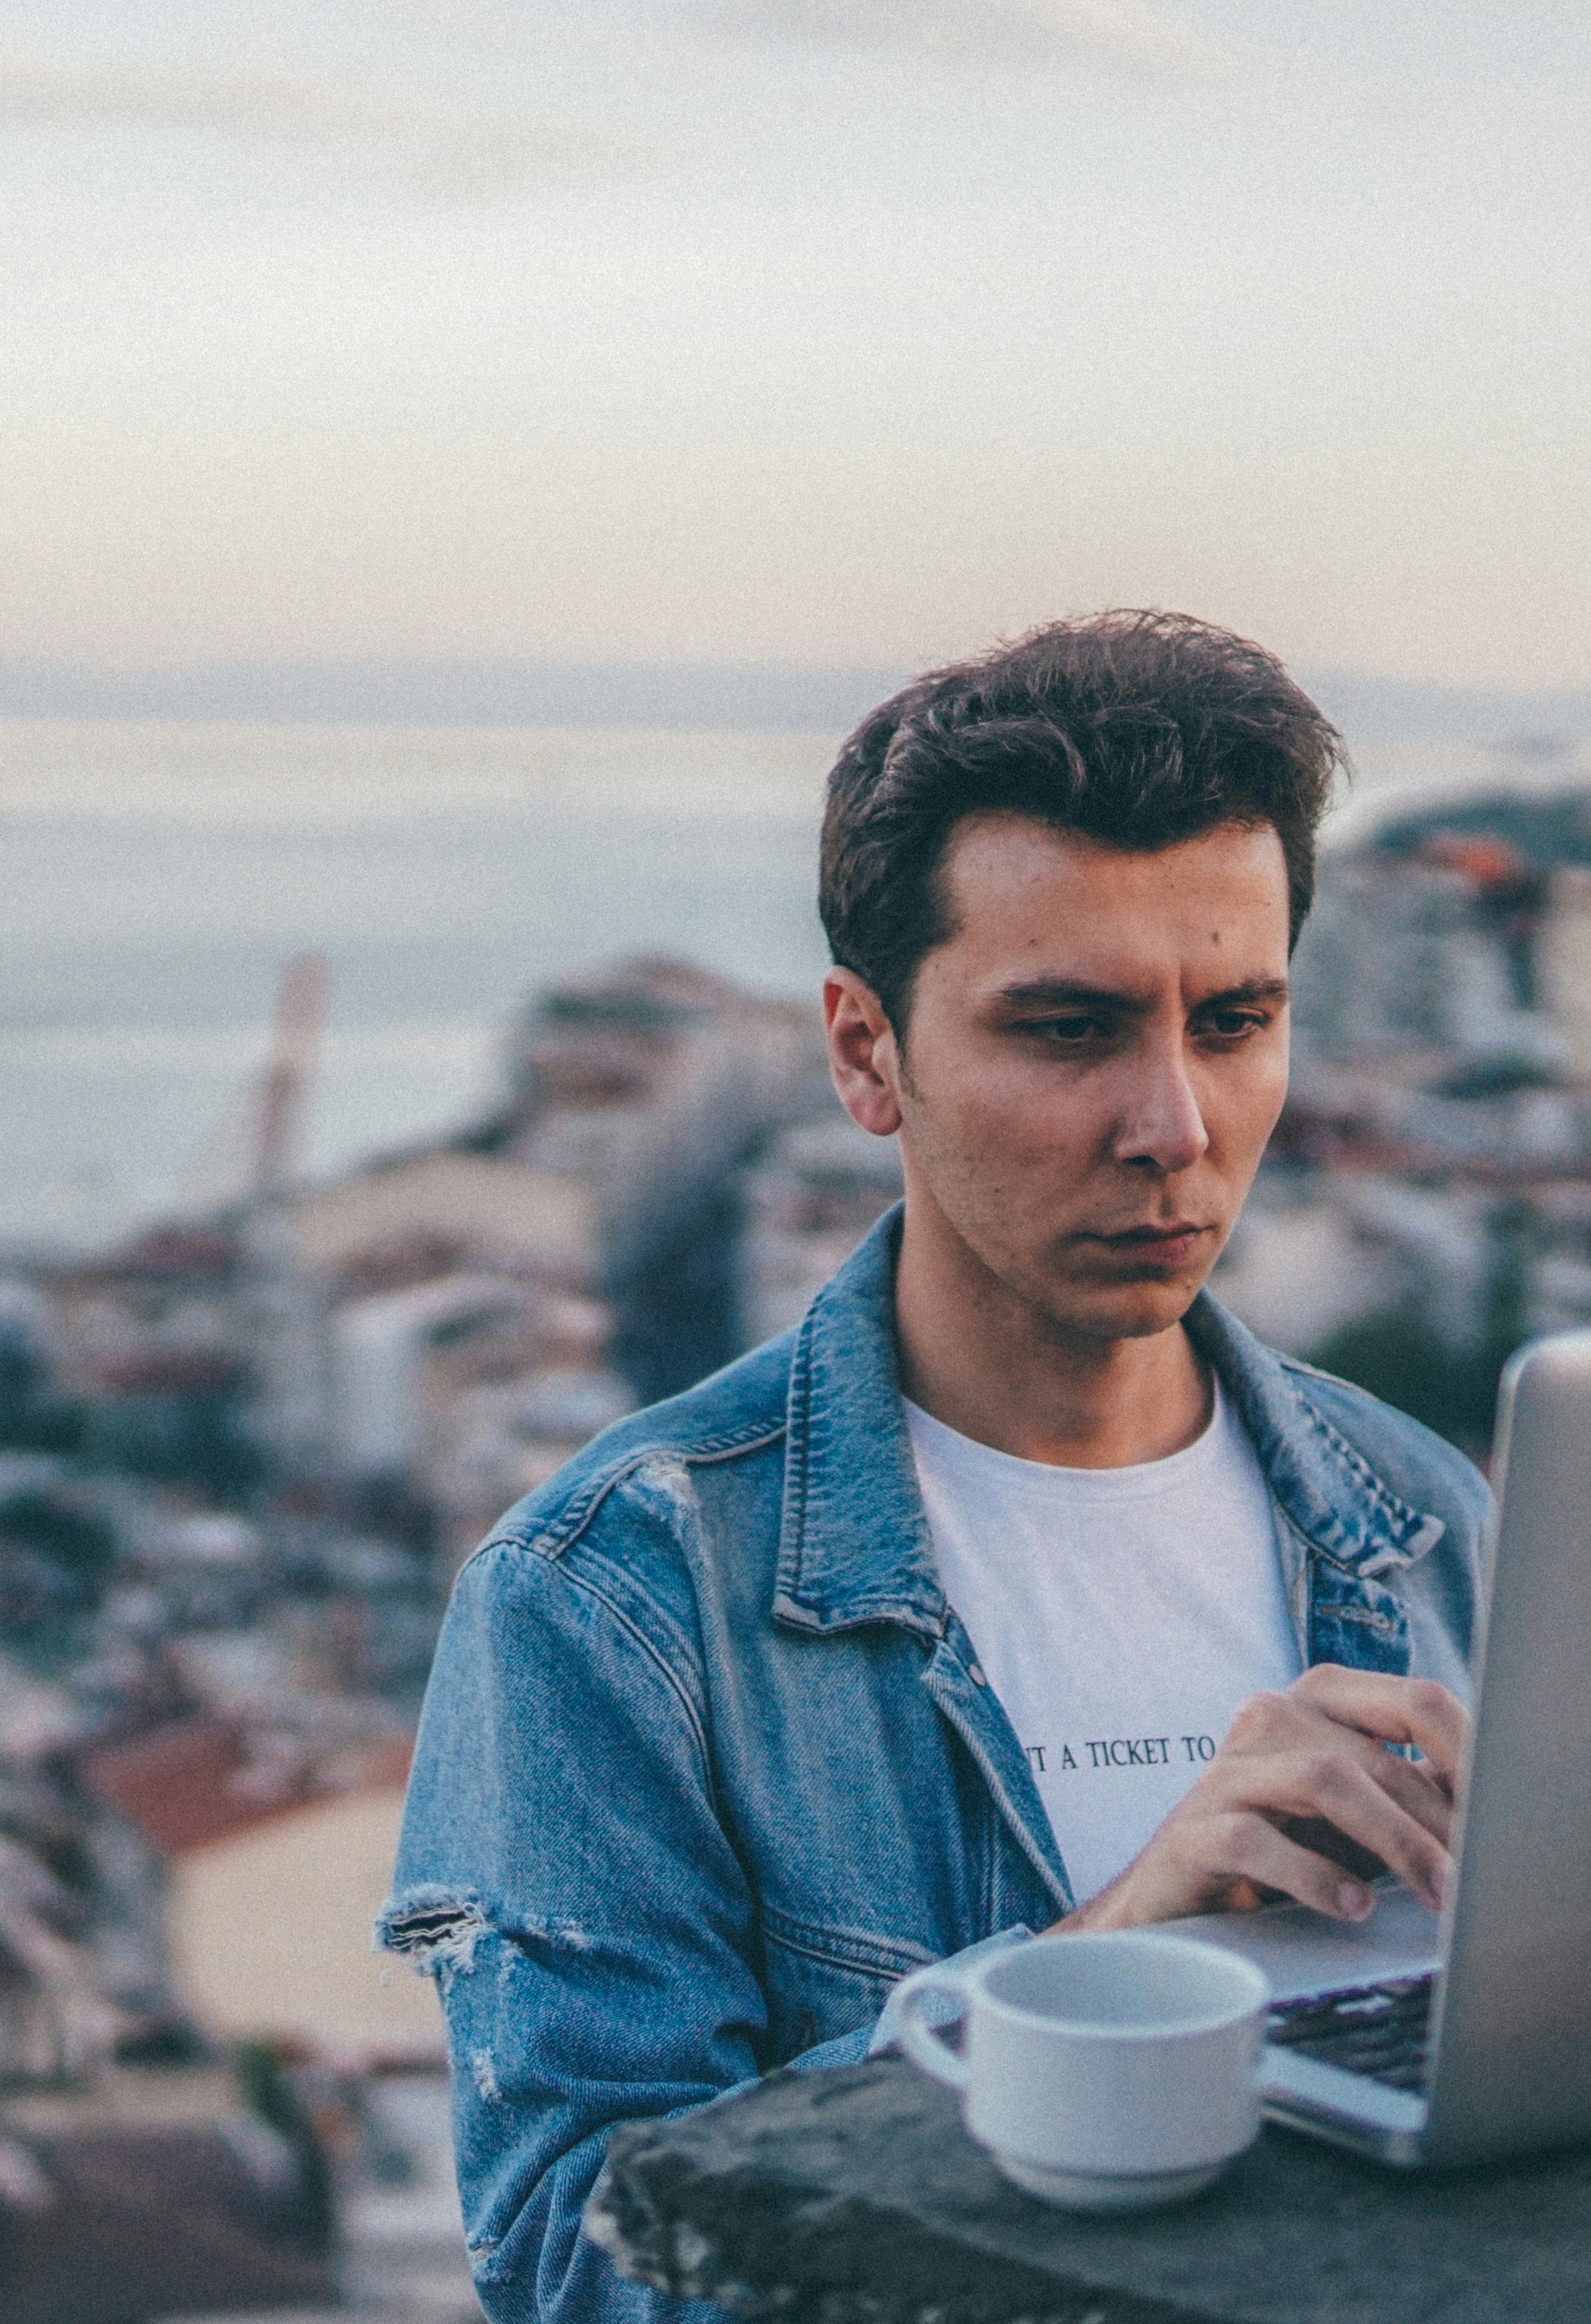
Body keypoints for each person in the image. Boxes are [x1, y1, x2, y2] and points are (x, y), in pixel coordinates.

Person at [377, 611, 1492, 2324]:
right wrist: (1094, 1980)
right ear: (862, 1052)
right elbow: (576, 2276)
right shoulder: (613, 1598)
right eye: (1067, 1029)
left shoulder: (1436, 1525)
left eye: (1235, 1020)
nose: (1174, 1125)